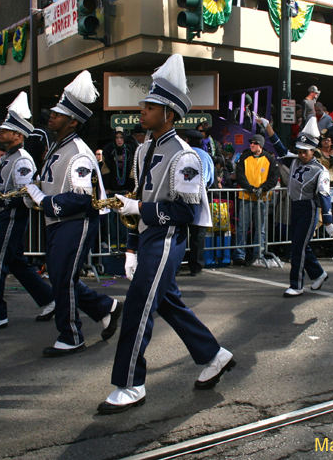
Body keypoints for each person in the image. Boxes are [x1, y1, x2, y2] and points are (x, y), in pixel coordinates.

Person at [97, 54, 234, 414]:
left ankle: (130, 384)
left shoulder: (185, 156)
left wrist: (139, 211)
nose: (142, 109)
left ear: (169, 113)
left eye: (151, 105)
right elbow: (138, 199)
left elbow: (184, 212)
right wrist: (130, 246)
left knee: (139, 307)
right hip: (148, 239)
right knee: (168, 302)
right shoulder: (144, 150)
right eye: (144, 104)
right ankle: (214, 355)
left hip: (169, 240)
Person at [24, 71, 121, 356]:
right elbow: (54, 183)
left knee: (62, 278)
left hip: (75, 221)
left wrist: (43, 200)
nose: (52, 115)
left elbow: (81, 198)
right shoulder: (58, 145)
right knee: (60, 277)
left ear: (73, 122)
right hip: (59, 221)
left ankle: (71, 334)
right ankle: (106, 307)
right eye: (53, 111)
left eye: (59, 113)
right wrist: (33, 192)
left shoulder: (77, 151)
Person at [0, 93, 56, 332]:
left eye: (6, 129)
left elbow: (23, 195)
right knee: (16, 263)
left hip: (12, 217)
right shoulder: (9, 157)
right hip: (4, 215)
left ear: (19, 135)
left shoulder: (22, 160)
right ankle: (50, 299)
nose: (1, 132)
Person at [262, 118, 333, 296]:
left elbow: (324, 194)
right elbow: (279, 147)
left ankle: (296, 285)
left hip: (308, 208)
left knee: (298, 248)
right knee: (299, 245)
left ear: (313, 151)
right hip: (295, 206)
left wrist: (328, 220)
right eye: (300, 151)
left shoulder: (320, 170)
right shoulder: (294, 161)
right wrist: (268, 127)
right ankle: (318, 273)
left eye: (305, 152)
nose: (302, 155)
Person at [231, 133, 279, 266]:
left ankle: (259, 254)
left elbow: (274, 177)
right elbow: (240, 175)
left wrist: (262, 188)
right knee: (242, 227)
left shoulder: (269, 159)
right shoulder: (244, 157)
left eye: (255, 143)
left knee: (261, 228)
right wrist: (250, 188)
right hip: (246, 197)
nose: (252, 145)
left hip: (262, 198)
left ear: (261, 145)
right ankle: (239, 255)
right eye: (251, 143)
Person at [184, 129, 215, 276]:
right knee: (198, 233)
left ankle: (176, 265)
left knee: (181, 232)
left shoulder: (182, 155)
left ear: (187, 141)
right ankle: (196, 266)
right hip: (201, 194)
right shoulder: (206, 156)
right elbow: (211, 179)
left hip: (183, 195)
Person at [102, 128, 135, 193]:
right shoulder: (108, 149)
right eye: (117, 137)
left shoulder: (129, 149)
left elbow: (132, 169)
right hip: (111, 189)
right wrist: (106, 187)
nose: (119, 140)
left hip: (126, 189)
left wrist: (131, 188)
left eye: (121, 137)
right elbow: (105, 169)